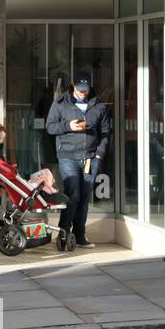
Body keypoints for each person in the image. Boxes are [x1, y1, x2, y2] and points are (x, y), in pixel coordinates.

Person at [45, 71, 112, 250]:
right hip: (67, 156)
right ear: (73, 86)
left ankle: (80, 235)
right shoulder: (60, 104)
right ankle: (64, 232)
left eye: (86, 89)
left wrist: (99, 154)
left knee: (84, 197)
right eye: (80, 89)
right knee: (73, 194)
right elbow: (50, 127)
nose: (83, 93)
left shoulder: (99, 106)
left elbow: (105, 132)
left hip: (91, 157)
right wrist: (69, 126)